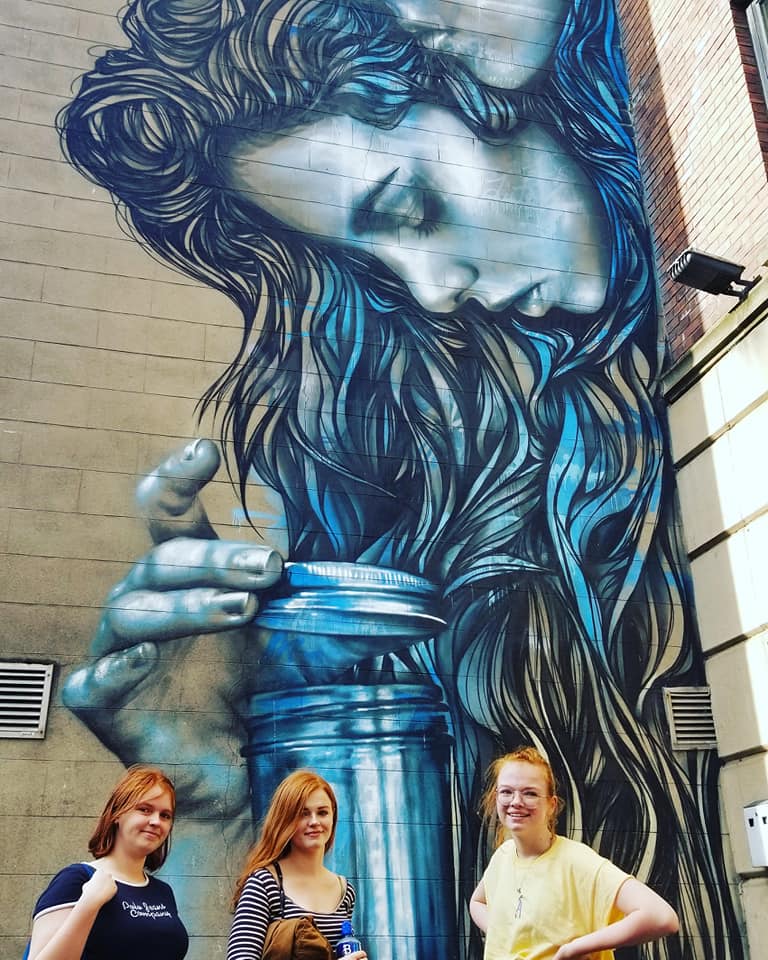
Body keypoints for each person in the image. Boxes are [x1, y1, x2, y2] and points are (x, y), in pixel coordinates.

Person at [54, 1, 743, 958]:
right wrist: (217, 800)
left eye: (409, 207)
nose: (431, 289)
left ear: (480, 82)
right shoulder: (434, 478)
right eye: (371, 255)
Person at [469, 747, 679, 960]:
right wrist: (503, 934)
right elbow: (477, 903)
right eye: (506, 792)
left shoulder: (576, 861)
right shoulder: (503, 856)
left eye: (530, 793)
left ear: (551, 805)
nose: (516, 802)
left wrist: (574, 949)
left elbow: (661, 917)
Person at [26, 765, 188, 960]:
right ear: (117, 814)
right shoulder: (78, 879)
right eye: (145, 810)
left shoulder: (163, 892)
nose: (156, 821)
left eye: (165, 815)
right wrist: (88, 905)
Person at [227, 770, 366, 960]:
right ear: (285, 820)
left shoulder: (344, 890)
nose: (314, 822)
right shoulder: (264, 883)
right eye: (303, 814)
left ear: (333, 816)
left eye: (322, 812)